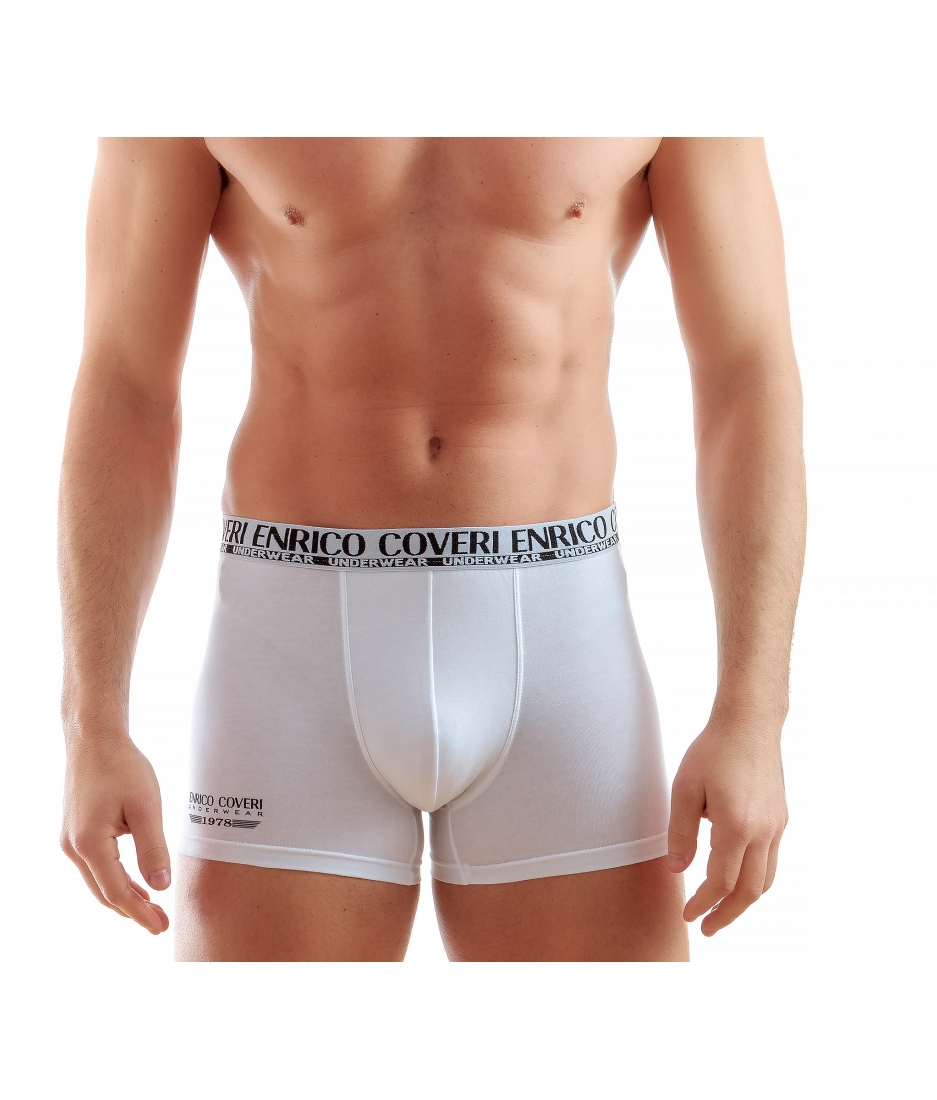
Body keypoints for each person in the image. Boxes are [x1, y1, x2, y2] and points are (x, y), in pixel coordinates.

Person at [58, 138, 804, 961]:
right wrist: (94, 724)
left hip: (561, 645)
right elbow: (126, 387)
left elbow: (747, 377)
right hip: (290, 651)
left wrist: (752, 713)